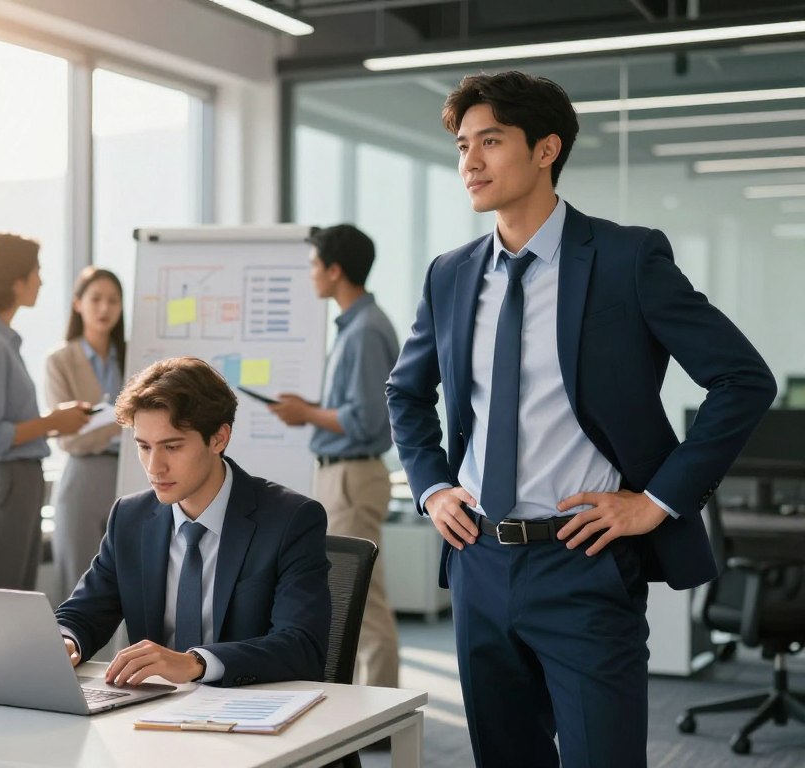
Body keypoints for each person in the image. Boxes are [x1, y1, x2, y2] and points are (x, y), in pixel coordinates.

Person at [386, 71, 776, 768]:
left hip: (583, 562)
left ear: (545, 150)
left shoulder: (627, 259)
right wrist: (432, 486)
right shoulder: (449, 273)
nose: (469, 163)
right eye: (462, 145)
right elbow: (406, 393)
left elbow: (743, 379)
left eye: (491, 142)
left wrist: (656, 502)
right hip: (479, 559)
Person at [54, 357, 331, 687]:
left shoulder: (291, 520)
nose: (155, 467)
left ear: (218, 439)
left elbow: (301, 646)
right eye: (144, 447)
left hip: (250, 711)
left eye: (172, 447)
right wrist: (66, 642)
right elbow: (82, 614)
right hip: (152, 717)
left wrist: (196, 663)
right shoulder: (130, 518)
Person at [268, 224, 400, 689]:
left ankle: (381, 716)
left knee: (359, 599)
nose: (310, 275)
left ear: (336, 270)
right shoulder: (357, 326)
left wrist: (306, 413)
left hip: (351, 475)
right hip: (344, 474)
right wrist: (309, 412)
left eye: (313, 266)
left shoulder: (363, 331)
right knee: (354, 596)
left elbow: (364, 421)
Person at [0, 233, 91, 590]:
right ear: (17, 282)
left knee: (11, 603)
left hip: (17, 484)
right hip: (5, 484)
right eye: (36, 272)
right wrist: (52, 423)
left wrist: (52, 422)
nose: (41, 280)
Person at [46, 267, 126, 600]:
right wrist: (120, 426)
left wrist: (102, 426)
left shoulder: (132, 356)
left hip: (129, 477)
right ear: (78, 304)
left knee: (128, 584)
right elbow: (68, 438)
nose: (104, 308)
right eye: (95, 299)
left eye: (113, 300)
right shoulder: (61, 360)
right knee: (78, 586)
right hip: (82, 479)